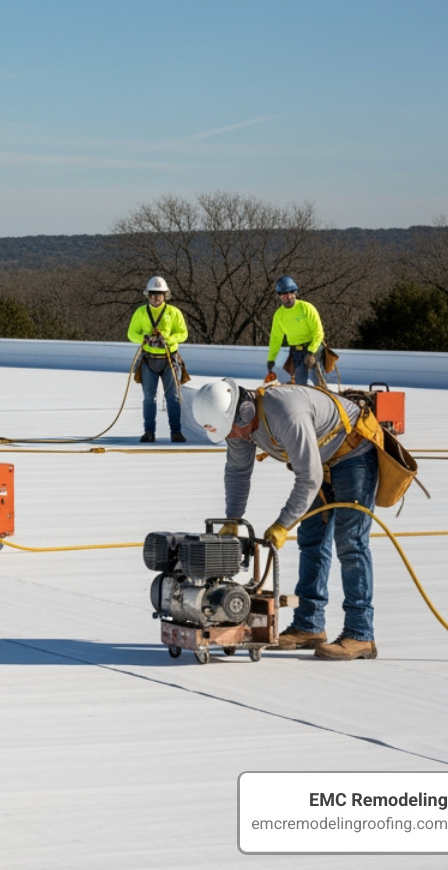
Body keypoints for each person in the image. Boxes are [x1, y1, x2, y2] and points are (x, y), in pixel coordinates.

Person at [189, 378, 379, 660]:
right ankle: (309, 625)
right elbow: (238, 473)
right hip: (321, 460)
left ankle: (360, 634)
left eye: (233, 432)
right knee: (312, 539)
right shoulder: (239, 428)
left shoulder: (286, 413)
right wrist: (233, 518)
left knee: (350, 542)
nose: (235, 439)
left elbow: (309, 477)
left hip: (353, 454)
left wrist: (282, 524)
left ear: (245, 413)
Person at [126, 276, 189, 443]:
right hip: (148, 359)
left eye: (159, 294)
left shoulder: (173, 312)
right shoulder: (140, 313)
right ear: (148, 295)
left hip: (170, 359)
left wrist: (167, 340)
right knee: (149, 398)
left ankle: (176, 431)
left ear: (165, 295)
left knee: (173, 397)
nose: (156, 297)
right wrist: (144, 338)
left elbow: (183, 333)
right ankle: (149, 432)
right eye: (153, 294)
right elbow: (131, 333)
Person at [267, 276, 326, 386]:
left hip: (313, 348)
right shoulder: (279, 315)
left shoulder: (306, 308)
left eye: (289, 293)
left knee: (317, 380)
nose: (286, 297)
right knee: (300, 383)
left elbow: (318, 332)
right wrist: (271, 358)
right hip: (296, 352)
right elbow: (275, 339)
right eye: (282, 294)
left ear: (295, 293)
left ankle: (324, 396)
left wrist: (311, 352)